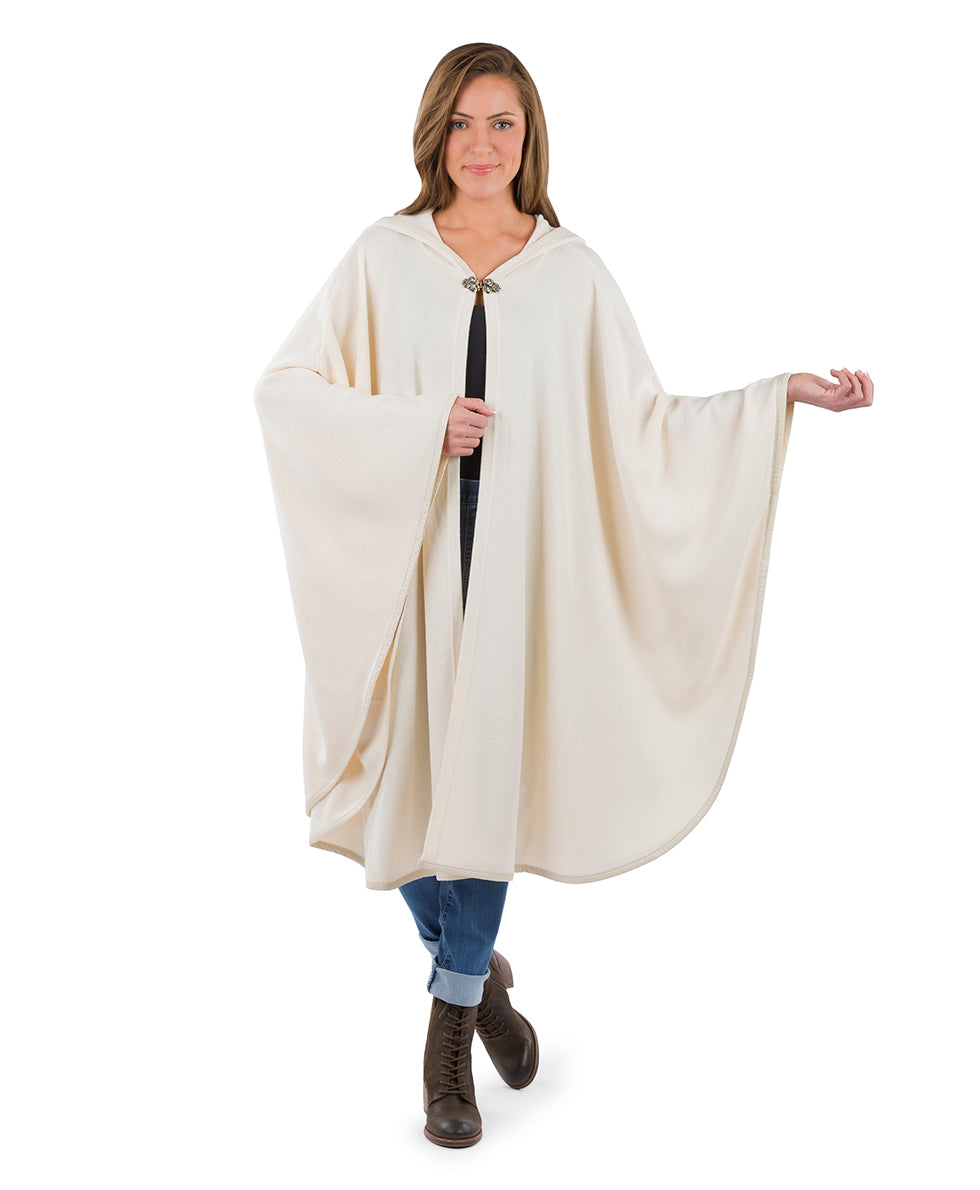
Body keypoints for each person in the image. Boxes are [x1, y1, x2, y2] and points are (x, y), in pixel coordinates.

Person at [253, 42, 873, 1150]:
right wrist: (419, 429)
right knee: (398, 790)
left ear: (529, 136)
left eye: (503, 123)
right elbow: (286, 390)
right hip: (412, 564)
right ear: (433, 133)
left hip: (520, 572)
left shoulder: (570, 271)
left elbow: (643, 422)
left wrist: (777, 394)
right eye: (461, 123)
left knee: (481, 787)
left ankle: (449, 1034)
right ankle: (480, 975)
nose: (481, 145)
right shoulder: (383, 257)